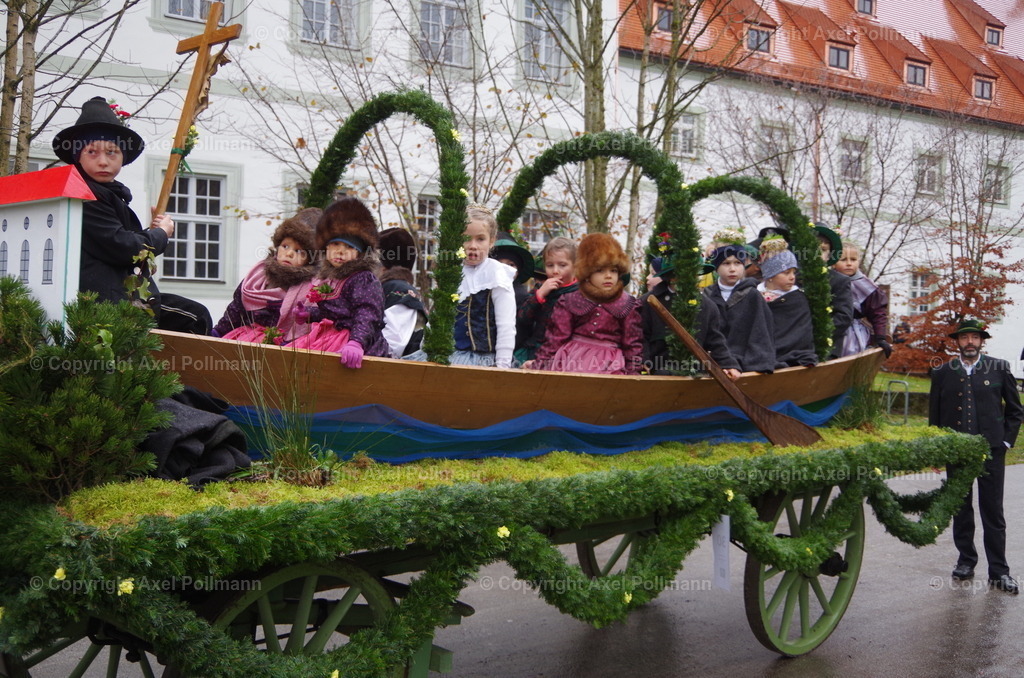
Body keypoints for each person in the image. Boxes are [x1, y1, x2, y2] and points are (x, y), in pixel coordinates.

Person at [52, 96, 212, 333]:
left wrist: (150, 231)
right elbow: (124, 248)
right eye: (92, 152)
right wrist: (160, 234)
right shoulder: (85, 195)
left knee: (195, 315)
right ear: (78, 157)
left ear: (123, 157)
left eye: (112, 152)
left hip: (125, 296)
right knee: (195, 318)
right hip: (106, 304)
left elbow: (117, 241)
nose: (103, 161)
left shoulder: (110, 194)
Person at [930, 319, 1023, 594]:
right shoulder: (943, 372)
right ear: (957, 342)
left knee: (992, 511)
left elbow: (1015, 410)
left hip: (991, 451)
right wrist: (936, 449)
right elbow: (935, 415)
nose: (969, 342)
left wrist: (1005, 441)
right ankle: (965, 561)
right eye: (964, 337)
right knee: (961, 508)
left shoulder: (999, 368)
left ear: (982, 341)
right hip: (957, 451)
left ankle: (999, 571)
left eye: (974, 337)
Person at [407, 204, 517, 367]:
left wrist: (502, 366)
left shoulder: (497, 274)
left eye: (480, 239)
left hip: (481, 359)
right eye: (466, 238)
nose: (473, 245)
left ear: (491, 241)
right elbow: (438, 316)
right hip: (445, 355)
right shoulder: (452, 271)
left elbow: (506, 325)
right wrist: (426, 347)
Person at [289, 196, 389, 367]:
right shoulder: (332, 277)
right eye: (335, 244)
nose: (340, 252)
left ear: (360, 253)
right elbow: (336, 313)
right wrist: (309, 314)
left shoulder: (363, 279)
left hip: (356, 342)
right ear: (326, 247)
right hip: (331, 336)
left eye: (350, 247)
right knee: (296, 361)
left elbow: (368, 314)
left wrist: (357, 342)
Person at [533, 233, 643, 375]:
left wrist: (633, 375)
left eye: (613, 270)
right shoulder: (570, 300)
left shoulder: (627, 304)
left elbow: (632, 344)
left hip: (610, 366)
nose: (608, 276)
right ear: (587, 272)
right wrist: (539, 367)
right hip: (571, 361)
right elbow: (556, 338)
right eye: (600, 270)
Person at [212, 208, 320, 344]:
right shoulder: (257, 277)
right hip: (246, 340)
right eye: (285, 246)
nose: (289, 253)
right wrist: (217, 332)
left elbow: (310, 326)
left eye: (298, 251)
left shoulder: (310, 288)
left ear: (310, 259)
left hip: (285, 347)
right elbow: (236, 310)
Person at [639, 253, 741, 378]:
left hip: (695, 376)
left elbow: (715, 339)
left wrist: (727, 364)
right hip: (657, 372)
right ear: (671, 276)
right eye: (684, 273)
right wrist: (643, 361)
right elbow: (641, 336)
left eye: (695, 273)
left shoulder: (707, 306)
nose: (691, 278)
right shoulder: (648, 302)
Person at [701, 244, 775, 373]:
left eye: (737, 263)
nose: (732, 269)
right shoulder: (707, 296)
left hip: (746, 359)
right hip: (713, 359)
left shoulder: (752, 295)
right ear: (716, 268)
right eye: (726, 263)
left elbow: (761, 331)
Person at [516, 236, 578, 366]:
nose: (555, 271)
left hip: (565, 355)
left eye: (562, 265)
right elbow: (522, 318)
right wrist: (539, 295)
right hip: (533, 350)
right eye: (550, 265)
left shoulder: (580, 294)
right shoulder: (540, 288)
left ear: (575, 266)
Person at [758, 247, 817, 368]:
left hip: (795, 356)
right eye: (786, 272)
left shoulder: (798, 298)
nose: (792, 277)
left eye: (794, 272)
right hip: (761, 354)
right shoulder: (754, 296)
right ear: (770, 275)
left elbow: (802, 332)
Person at [833, 242, 891, 358]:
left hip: (854, 332)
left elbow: (878, 313)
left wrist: (880, 337)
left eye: (853, 259)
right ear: (833, 262)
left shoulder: (866, 285)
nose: (849, 263)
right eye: (843, 260)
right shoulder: (829, 281)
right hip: (832, 327)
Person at [377, 227, 427, 358]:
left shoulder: (398, 290)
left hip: (401, 367)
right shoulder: (391, 287)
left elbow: (392, 345)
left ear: (384, 266)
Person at [813, 224, 854, 359]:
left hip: (826, 348)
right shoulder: (794, 279)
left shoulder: (839, 281)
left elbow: (844, 316)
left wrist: (819, 334)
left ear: (829, 254)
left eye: (823, 250)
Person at [491, 232, 534, 310]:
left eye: (511, 265)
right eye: (498, 264)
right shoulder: (480, 291)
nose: (505, 269)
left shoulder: (522, 298)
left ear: (518, 271)